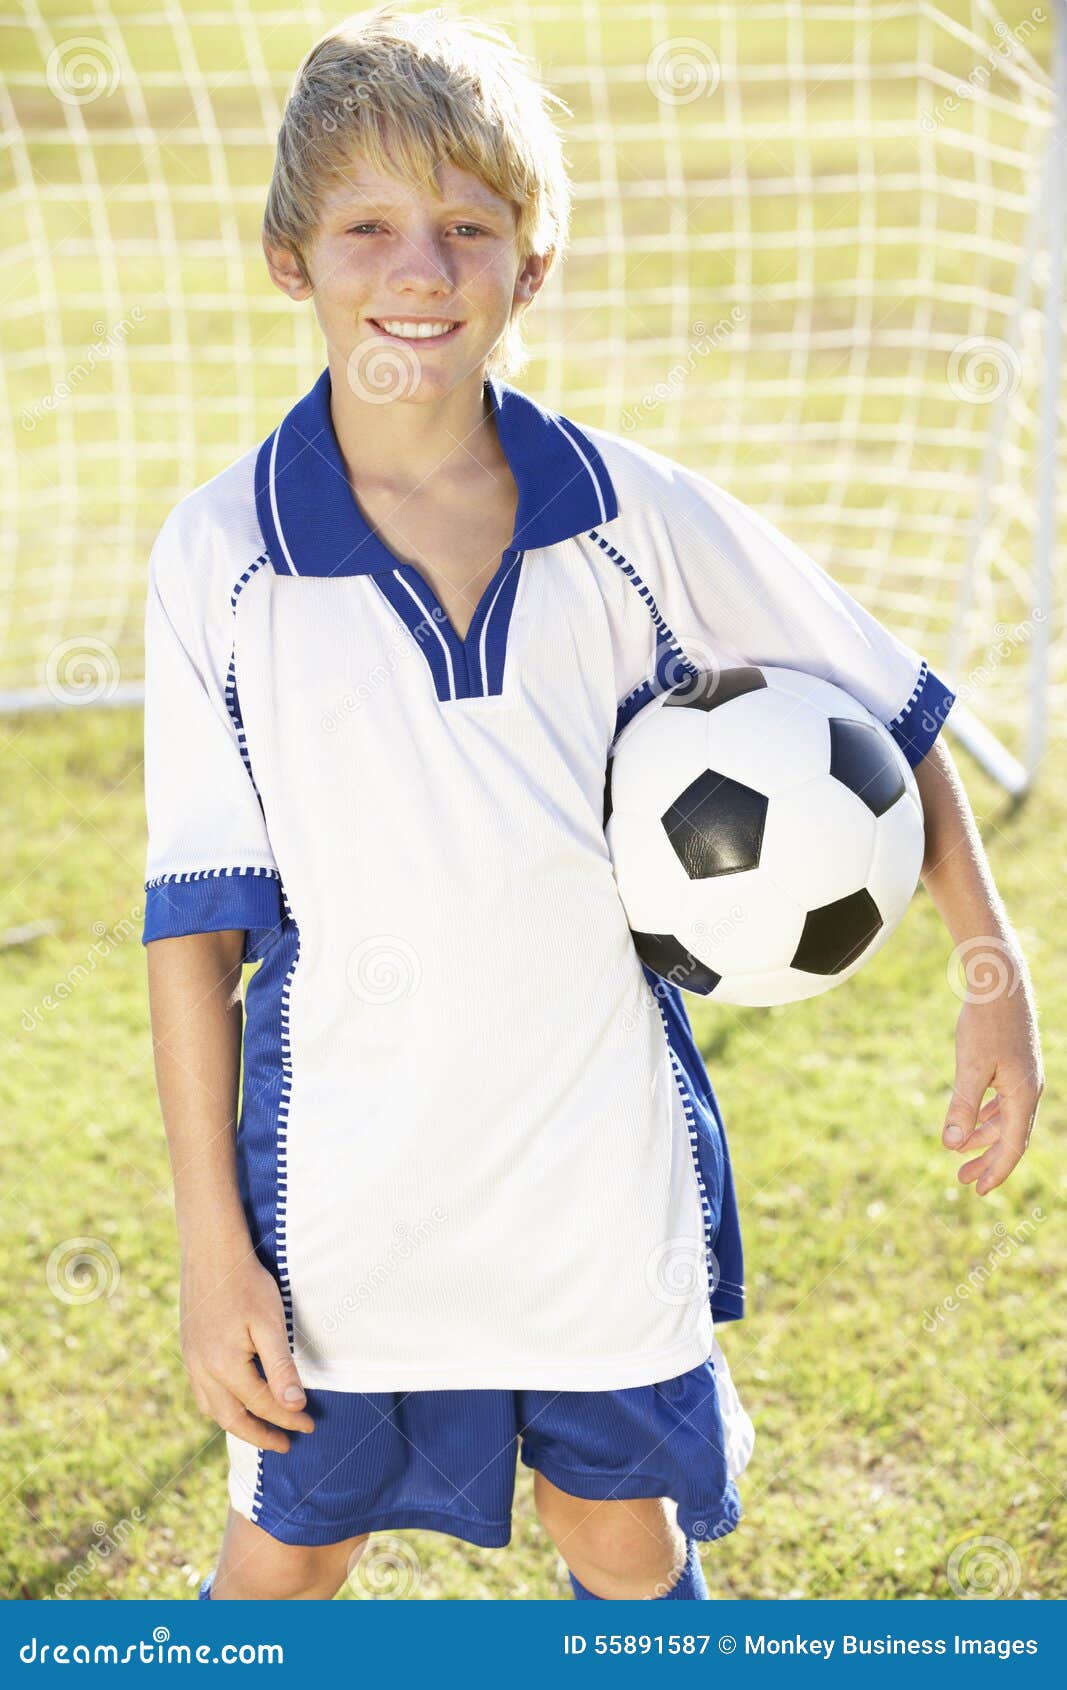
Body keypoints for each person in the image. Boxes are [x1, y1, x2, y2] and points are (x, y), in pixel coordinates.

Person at [141, 5, 1043, 1602]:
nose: (419, 271)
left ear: (527, 269)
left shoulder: (633, 514)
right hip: (348, 1200)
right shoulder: (224, 556)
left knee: (621, 1536)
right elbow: (196, 926)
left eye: (467, 231)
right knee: (289, 1551)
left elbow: (884, 712)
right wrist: (217, 1250)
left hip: (594, 1188)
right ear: (294, 259)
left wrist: (995, 972)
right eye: (368, 227)